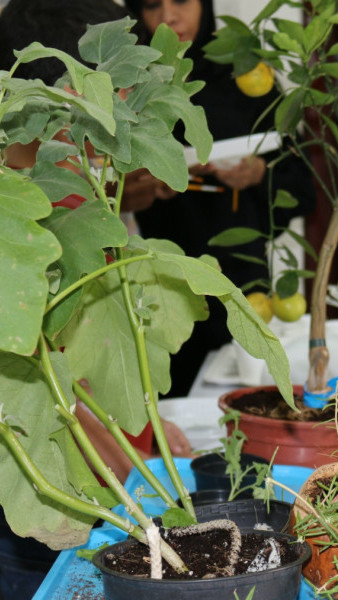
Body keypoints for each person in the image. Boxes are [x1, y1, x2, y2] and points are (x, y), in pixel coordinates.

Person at [0, 3, 195, 598]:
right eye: (116, 102)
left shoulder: (88, 193)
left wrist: (136, 417)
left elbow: (97, 334)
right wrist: (86, 423)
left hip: (105, 470)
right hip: (32, 485)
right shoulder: (14, 211)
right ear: (59, 98)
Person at [123, 0, 317, 397]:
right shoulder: (128, 81)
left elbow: (305, 189)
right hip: (158, 282)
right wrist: (137, 189)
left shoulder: (246, 75)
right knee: (165, 405)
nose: (167, 18)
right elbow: (102, 190)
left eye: (181, 0)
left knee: (247, 400)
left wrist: (259, 173)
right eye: (150, 5)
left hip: (242, 283)